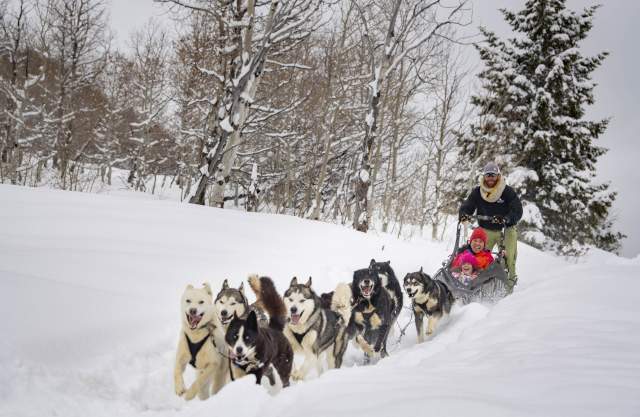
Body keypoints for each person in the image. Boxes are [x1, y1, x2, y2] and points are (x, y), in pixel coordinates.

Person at [459, 162, 523, 293]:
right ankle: (478, 286)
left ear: (498, 176)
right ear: (484, 176)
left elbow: (517, 210)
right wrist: (464, 214)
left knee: (508, 257)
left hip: (506, 229)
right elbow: (468, 204)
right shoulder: (478, 191)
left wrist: (507, 218)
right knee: (479, 257)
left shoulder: (506, 191)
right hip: (486, 230)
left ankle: (508, 288)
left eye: (493, 175)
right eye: (488, 175)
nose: (490, 178)